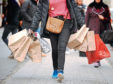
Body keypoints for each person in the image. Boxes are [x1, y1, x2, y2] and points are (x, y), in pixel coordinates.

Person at [29, 0, 84, 81]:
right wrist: (32, 27)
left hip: (66, 22)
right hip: (52, 22)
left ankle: (60, 71)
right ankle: (55, 69)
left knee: (61, 47)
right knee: (55, 49)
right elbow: (39, 12)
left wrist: (83, 25)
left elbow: (75, 9)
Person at [85, 0, 111, 68]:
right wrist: (86, 28)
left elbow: (108, 19)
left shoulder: (105, 7)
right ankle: (96, 60)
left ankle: (98, 60)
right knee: (94, 46)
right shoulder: (90, 6)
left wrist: (103, 18)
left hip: (101, 29)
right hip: (92, 29)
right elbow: (87, 17)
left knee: (99, 46)